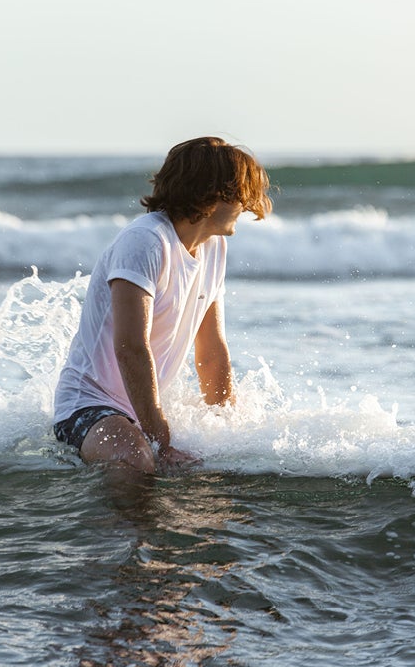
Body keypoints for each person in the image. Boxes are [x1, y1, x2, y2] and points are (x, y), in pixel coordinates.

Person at [51, 137, 272, 474]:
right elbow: (130, 346)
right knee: (136, 459)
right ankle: (117, 529)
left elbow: (212, 351)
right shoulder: (146, 242)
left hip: (138, 411)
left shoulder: (214, 249)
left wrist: (228, 429)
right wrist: (160, 438)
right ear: (214, 195)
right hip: (88, 406)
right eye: (241, 193)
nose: (245, 204)